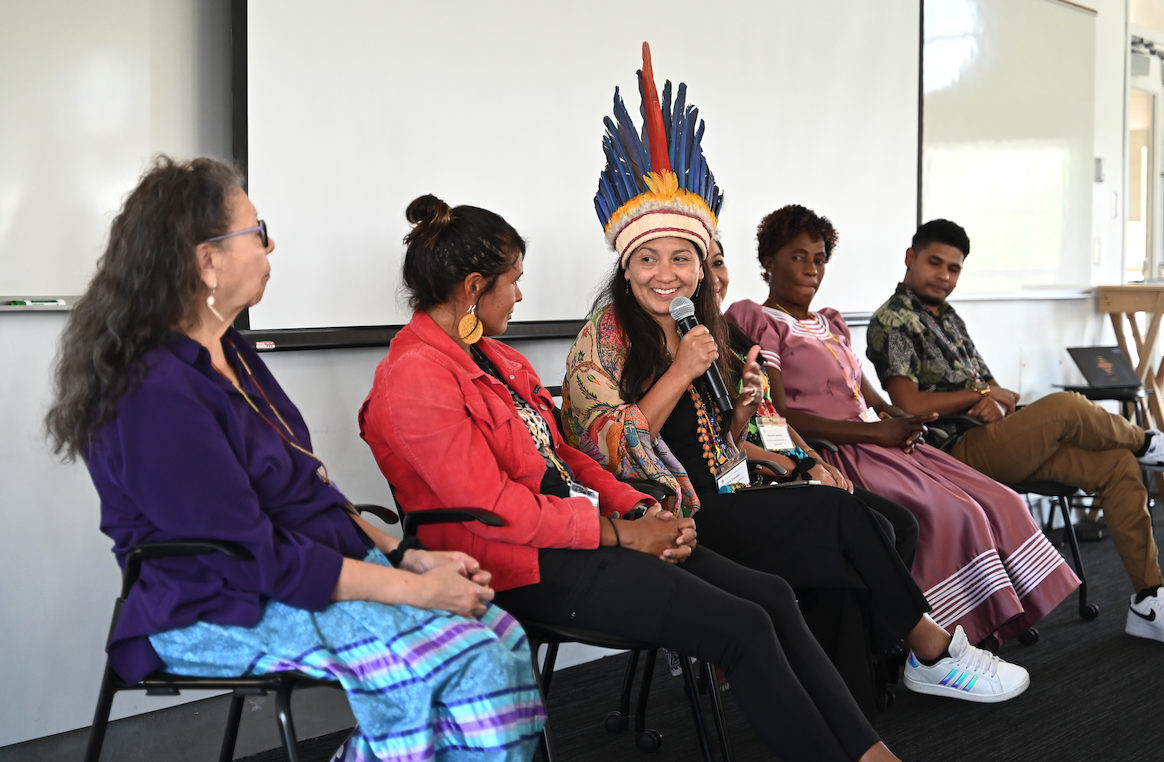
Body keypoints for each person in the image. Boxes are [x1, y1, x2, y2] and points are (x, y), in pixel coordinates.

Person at [563, 43, 1029, 716]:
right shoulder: (603, 338)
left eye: (682, 259)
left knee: (887, 520)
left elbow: (720, 439)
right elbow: (604, 444)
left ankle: (841, 695)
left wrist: (760, 422)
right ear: (625, 266)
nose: (665, 274)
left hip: (729, 486)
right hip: (674, 512)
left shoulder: (706, 326)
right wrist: (680, 374)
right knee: (839, 518)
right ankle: (932, 649)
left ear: (701, 267)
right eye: (647, 260)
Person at [358, 192, 902, 762]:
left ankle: (869, 752)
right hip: (518, 564)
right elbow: (498, 509)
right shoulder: (415, 378)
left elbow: (570, 457)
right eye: (512, 281)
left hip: (583, 536)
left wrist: (643, 510)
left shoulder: (498, 358)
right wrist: (623, 534)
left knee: (770, 596)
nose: (520, 294)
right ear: (473, 288)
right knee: (741, 624)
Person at [44, 157, 544, 762]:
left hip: (293, 572)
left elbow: (309, 491)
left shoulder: (230, 350)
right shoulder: (153, 390)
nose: (270, 243)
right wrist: (410, 591)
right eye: (256, 232)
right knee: (465, 657)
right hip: (214, 605)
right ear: (207, 260)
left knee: (501, 634)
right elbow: (254, 557)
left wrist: (408, 556)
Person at [724, 205, 1080, 645]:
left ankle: (988, 622)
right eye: (798, 257)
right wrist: (876, 432)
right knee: (955, 512)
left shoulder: (830, 322)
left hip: (876, 440)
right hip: (833, 451)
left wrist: (898, 416)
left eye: (819, 259)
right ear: (767, 261)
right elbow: (779, 416)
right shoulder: (756, 319)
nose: (812, 269)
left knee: (998, 498)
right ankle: (940, 638)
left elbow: (863, 394)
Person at [867, 218, 1164, 643]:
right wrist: (976, 396)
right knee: (1064, 406)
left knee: (1117, 466)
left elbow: (997, 388)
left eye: (954, 269)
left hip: (995, 437)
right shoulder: (893, 320)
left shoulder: (947, 317)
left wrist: (992, 396)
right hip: (951, 450)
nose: (945, 276)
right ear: (910, 257)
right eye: (935, 263)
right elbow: (908, 404)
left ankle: (1148, 600)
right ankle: (1148, 442)